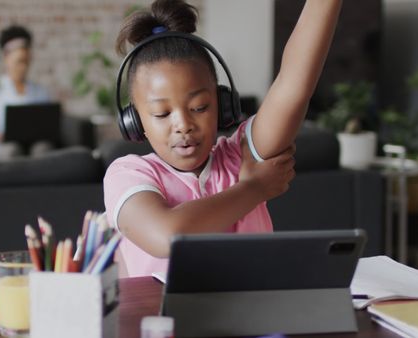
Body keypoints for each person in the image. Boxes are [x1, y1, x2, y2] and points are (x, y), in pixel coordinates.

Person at [104, 0, 342, 277]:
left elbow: (294, 85)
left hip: (253, 315)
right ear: (135, 122)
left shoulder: (241, 156)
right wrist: (255, 187)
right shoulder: (128, 174)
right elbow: (167, 236)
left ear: (222, 106)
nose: (183, 125)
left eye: (199, 108)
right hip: (164, 319)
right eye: (161, 113)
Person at [0, 24, 53, 159]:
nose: (23, 67)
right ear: (6, 58)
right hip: (5, 144)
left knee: (43, 149)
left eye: (26, 61)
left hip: (35, 144)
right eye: (19, 62)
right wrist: (0, 137)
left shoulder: (40, 91)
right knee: (12, 150)